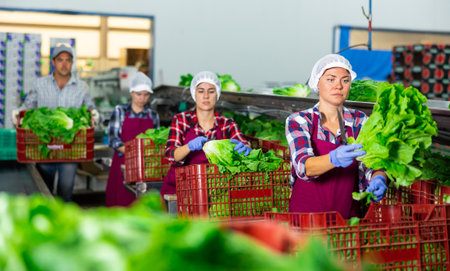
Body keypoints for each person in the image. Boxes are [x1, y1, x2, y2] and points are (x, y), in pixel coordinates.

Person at [285, 54, 387, 219]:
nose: (338, 86)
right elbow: (304, 167)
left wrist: (379, 177)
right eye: (331, 79)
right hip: (305, 218)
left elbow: (372, 162)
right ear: (317, 83)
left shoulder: (360, 121)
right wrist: (333, 159)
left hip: (347, 218)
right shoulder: (300, 120)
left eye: (345, 80)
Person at [12, 44, 99, 202]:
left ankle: (62, 223)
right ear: (53, 62)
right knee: (44, 191)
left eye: (68, 60)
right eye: (60, 60)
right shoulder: (40, 84)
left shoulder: (82, 87)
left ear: (72, 63)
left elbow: (90, 110)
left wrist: (94, 115)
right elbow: (28, 107)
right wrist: (18, 113)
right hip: (45, 148)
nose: (64, 64)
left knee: (65, 193)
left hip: (70, 149)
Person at [160, 71, 251, 197]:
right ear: (194, 94)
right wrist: (188, 147)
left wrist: (247, 148)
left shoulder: (226, 124)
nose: (206, 96)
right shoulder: (182, 120)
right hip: (181, 192)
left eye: (211, 91)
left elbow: (244, 144)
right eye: (201, 91)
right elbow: (171, 155)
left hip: (215, 192)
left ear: (217, 95)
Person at [106, 72, 160, 207]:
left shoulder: (153, 115)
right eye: (139, 94)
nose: (142, 98)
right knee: (121, 202)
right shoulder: (120, 111)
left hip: (146, 166)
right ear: (131, 93)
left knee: (141, 203)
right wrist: (130, 151)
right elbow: (112, 137)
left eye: (146, 95)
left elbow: (158, 140)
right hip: (123, 163)